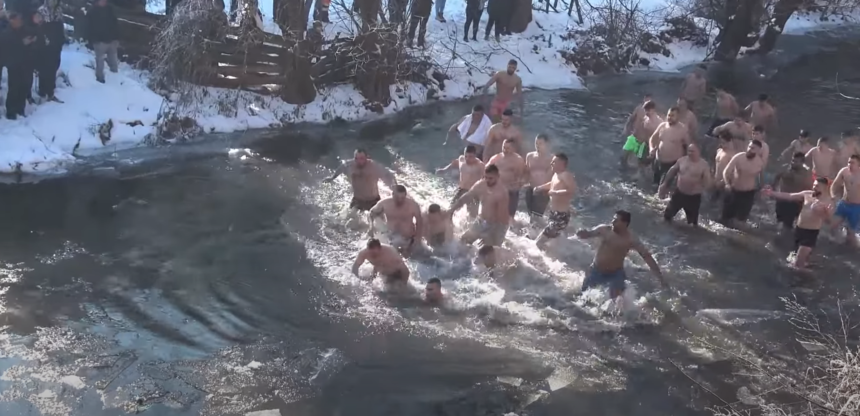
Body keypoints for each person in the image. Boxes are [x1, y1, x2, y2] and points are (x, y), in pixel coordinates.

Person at [576, 210, 666, 300]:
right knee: (583, 296)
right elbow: (588, 234)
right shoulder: (604, 230)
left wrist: (660, 278)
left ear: (624, 223)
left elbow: (647, 257)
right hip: (596, 270)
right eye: (613, 219)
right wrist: (582, 233)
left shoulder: (631, 239)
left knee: (616, 301)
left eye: (616, 220)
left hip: (615, 274)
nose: (612, 222)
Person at [763, 178, 833, 269]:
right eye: (814, 185)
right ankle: (807, 271)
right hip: (799, 230)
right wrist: (771, 193)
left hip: (810, 233)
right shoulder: (808, 194)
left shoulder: (828, 202)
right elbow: (789, 196)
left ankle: (814, 277)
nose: (814, 187)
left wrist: (826, 213)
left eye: (817, 186)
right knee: (798, 260)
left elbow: (829, 221)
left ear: (825, 187)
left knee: (797, 265)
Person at [450, 164, 510, 246]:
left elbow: (502, 218)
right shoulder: (481, 185)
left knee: (490, 249)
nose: (487, 180)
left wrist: (490, 234)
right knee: (463, 240)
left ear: (497, 176)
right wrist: (452, 210)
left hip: (498, 225)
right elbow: (467, 196)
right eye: (486, 177)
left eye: (490, 178)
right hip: (481, 220)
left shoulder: (501, 192)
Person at [324, 148, 397, 213]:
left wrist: (395, 187)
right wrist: (332, 177)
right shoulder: (350, 165)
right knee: (349, 220)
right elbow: (341, 168)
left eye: (361, 158)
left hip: (373, 201)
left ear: (367, 157)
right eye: (356, 158)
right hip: (357, 200)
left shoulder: (374, 166)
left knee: (379, 221)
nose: (358, 161)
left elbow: (389, 174)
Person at [659, 144, 711, 226]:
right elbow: (672, 171)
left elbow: (707, 180)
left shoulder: (703, 165)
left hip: (693, 197)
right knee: (666, 217)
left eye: (692, 151)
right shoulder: (682, 160)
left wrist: (705, 189)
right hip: (679, 193)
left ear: (698, 152)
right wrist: (665, 184)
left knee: (692, 224)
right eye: (689, 151)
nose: (690, 153)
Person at [534, 153, 577, 247]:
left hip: (561, 216)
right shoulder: (556, 175)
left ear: (561, 164)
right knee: (552, 242)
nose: (551, 163)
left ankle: (539, 256)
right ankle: (559, 254)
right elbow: (552, 184)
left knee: (538, 242)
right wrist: (540, 187)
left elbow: (571, 190)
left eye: (554, 162)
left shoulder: (566, 175)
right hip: (553, 214)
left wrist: (555, 192)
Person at [368, 185, 423, 256]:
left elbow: (420, 222)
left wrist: (417, 239)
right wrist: (371, 227)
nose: (400, 200)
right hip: (391, 237)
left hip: (408, 239)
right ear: (393, 194)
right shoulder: (385, 203)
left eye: (402, 198)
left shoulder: (413, 205)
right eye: (397, 197)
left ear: (405, 195)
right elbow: (371, 213)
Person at [721, 139, 765, 227]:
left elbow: (761, 178)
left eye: (753, 148)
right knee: (725, 219)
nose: (749, 149)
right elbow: (726, 171)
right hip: (734, 190)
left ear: (758, 151)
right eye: (749, 147)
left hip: (748, 194)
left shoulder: (759, 163)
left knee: (741, 220)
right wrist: (727, 184)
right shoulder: (739, 157)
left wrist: (761, 190)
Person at [1, 12, 35, 120]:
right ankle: (11, 111)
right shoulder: (7, 32)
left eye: (20, 19)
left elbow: (34, 34)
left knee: (23, 86)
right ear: (12, 21)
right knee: (14, 87)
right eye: (17, 20)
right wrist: (22, 42)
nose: (20, 22)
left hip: (25, 62)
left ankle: (20, 109)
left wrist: (32, 40)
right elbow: (8, 45)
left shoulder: (24, 30)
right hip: (13, 63)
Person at [437, 145, 486, 218]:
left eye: (470, 157)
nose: (467, 159)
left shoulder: (480, 165)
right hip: (461, 190)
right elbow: (455, 163)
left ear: (475, 156)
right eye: (466, 156)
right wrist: (444, 170)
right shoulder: (461, 159)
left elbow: (485, 179)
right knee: (451, 209)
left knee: (472, 217)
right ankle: (449, 223)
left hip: (473, 193)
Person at [771, 152, 813, 231]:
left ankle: (786, 236)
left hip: (794, 203)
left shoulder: (806, 173)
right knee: (779, 221)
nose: (793, 163)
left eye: (796, 162)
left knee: (787, 224)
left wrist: (806, 203)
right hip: (781, 200)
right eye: (792, 160)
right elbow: (777, 177)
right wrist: (773, 190)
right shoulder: (785, 168)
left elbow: (808, 188)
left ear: (802, 163)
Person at [649, 106, 689, 186]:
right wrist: (651, 148)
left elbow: (688, 146)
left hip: (672, 163)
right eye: (668, 115)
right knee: (655, 184)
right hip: (658, 161)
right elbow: (652, 139)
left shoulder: (683, 129)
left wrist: (685, 162)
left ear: (678, 116)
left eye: (672, 115)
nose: (669, 117)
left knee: (664, 185)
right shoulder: (662, 126)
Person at [487, 138, 526, 222]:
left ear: (513, 148)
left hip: (511, 190)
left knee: (510, 216)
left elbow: (520, 176)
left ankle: (511, 228)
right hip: (497, 190)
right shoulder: (496, 158)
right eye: (504, 147)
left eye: (508, 148)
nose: (505, 150)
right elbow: (486, 170)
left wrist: (516, 184)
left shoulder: (518, 160)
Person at [621, 100, 662, 171]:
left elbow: (659, 137)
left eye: (647, 111)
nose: (645, 113)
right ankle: (623, 171)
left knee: (642, 162)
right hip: (635, 139)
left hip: (645, 144)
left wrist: (653, 149)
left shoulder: (659, 123)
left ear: (653, 110)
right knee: (624, 156)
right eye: (645, 110)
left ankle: (640, 174)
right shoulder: (646, 118)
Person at [36, 0, 64, 102]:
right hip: (45, 44)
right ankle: (43, 90)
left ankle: (50, 90)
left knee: (54, 66)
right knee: (44, 67)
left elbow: (60, 27)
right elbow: (39, 28)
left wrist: (61, 40)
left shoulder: (59, 10)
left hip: (56, 43)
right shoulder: (41, 11)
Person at [830, 154, 860, 247]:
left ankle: (852, 248)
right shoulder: (844, 171)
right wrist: (833, 196)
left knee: (851, 235)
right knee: (833, 225)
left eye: (852, 163)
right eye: (849, 162)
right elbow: (834, 185)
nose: (849, 165)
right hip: (843, 204)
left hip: (856, 207)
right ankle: (836, 242)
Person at [87, 0, 119, 83]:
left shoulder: (110, 9)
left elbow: (115, 23)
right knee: (100, 61)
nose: (104, 1)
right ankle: (100, 79)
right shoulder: (92, 11)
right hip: (99, 41)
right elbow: (89, 27)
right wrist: (93, 40)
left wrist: (116, 38)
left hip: (111, 40)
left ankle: (115, 80)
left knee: (113, 61)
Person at [525, 134, 552, 224]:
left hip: (543, 191)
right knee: (530, 215)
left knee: (536, 216)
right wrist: (522, 182)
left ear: (547, 144)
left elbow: (554, 178)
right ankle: (534, 230)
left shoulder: (552, 159)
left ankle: (534, 231)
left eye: (540, 143)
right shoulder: (530, 156)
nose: (537, 146)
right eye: (536, 143)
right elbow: (526, 172)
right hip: (531, 189)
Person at [712, 131, 738, 202]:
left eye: (724, 143)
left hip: (725, 183)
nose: (722, 144)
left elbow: (733, 171)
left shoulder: (732, 154)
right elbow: (715, 165)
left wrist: (723, 182)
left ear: (729, 142)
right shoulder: (719, 151)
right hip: (716, 181)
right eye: (721, 142)